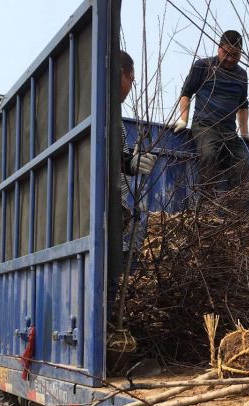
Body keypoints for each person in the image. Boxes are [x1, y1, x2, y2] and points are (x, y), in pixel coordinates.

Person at [108, 50, 156, 322]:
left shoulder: (114, 116)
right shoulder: (103, 112)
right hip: (103, 218)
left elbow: (115, 158)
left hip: (111, 216)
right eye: (132, 77)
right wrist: (129, 162)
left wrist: (131, 163)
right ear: (121, 73)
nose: (133, 83)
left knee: (111, 284)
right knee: (109, 282)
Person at [174, 30, 249, 192]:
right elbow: (186, 93)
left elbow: (243, 105)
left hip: (229, 132)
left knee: (242, 162)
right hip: (205, 125)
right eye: (226, 53)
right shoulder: (203, 66)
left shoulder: (242, 75)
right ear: (219, 48)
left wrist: (244, 132)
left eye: (235, 55)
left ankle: (237, 205)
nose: (230, 58)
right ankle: (207, 204)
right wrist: (183, 119)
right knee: (209, 155)